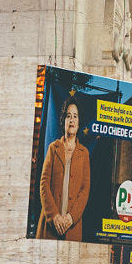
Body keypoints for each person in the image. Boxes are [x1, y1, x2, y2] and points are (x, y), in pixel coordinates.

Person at [36, 96, 91, 240]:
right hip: (49, 228)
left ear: (79, 123)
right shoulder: (53, 148)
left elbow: (85, 189)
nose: (71, 120)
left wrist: (72, 217)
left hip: (72, 228)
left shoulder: (84, 154)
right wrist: (54, 216)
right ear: (63, 121)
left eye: (75, 116)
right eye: (68, 116)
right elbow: (44, 184)